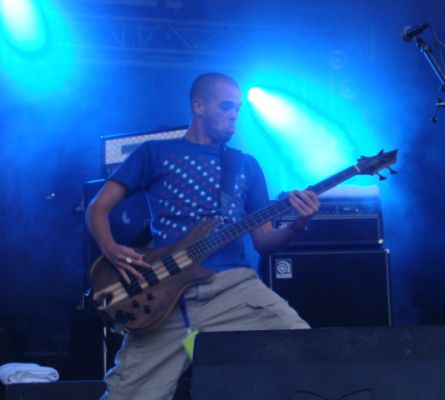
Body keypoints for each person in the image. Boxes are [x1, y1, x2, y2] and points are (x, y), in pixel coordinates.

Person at [85, 72, 320, 400]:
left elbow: (264, 242)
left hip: (233, 289)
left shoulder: (246, 165)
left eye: (237, 108)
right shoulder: (155, 153)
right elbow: (97, 208)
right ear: (199, 106)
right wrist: (110, 248)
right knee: (126, 396)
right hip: (166, 298)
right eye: (226, 106)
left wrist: (298, 224)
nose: (234, 114)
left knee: (307, 353)